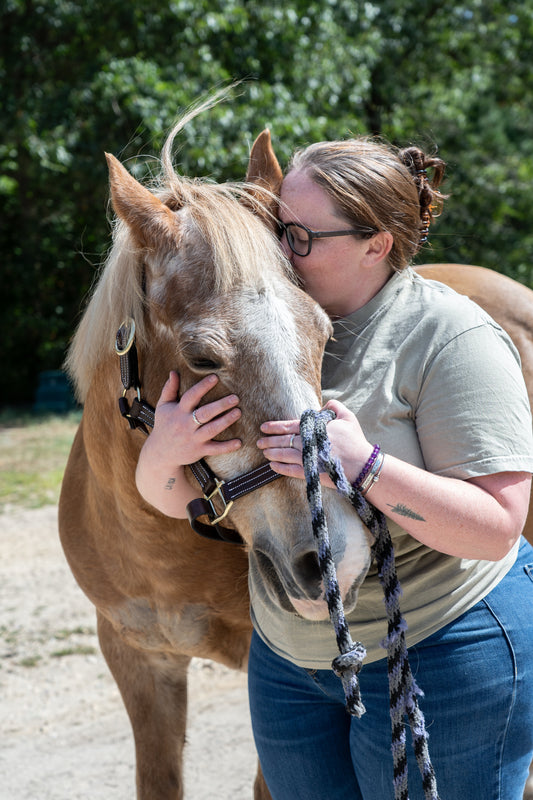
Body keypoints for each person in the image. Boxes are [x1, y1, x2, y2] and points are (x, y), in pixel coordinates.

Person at [135, 135, 533, 800]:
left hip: (441, 649)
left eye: (298, 235)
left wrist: (365, 464)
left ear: (376, 244)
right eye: (276, 225)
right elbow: (189, 499)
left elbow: (495, 529)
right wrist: (163, 453)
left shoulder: (450, 337)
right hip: (290, 662)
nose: (273, 246)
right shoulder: (265, 324)